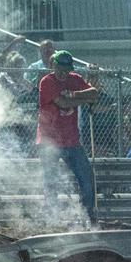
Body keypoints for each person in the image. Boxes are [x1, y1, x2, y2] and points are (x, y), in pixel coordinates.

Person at [36, 50, 98, 224]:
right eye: (60, 68)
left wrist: (73, 95)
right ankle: (51, 218)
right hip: (49, 141)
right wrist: (82, 99)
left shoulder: (75, 78)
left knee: (86, 179)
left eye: (67, 68)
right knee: (51, 182)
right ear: (53, 65)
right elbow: (62, 103)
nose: (64, 72)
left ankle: (88, 216)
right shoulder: (47, 82)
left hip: (71, 140)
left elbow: (94, 93)